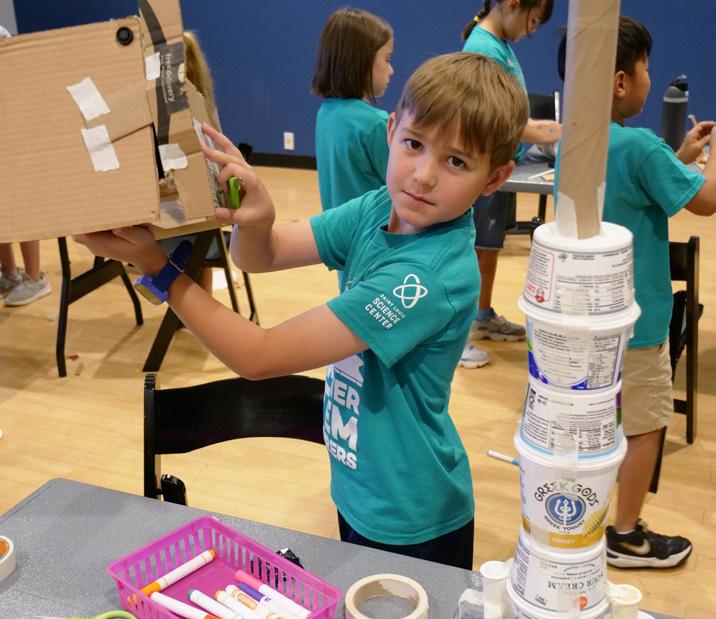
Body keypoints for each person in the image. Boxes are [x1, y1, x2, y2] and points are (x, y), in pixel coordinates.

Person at [75, 52, 528, 569]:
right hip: (360, 485)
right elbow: (260, 256)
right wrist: (255, 218)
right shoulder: (379, 208)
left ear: (494, 178)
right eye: (414, 144)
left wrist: (159, 268)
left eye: (456, 162)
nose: (423, 176)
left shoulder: (429, 276)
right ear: (391, 131)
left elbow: (259, 356)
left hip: (412, 514)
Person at [556, 16, 716, 568]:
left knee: (594, 415)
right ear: (621, 81)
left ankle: (580, 513)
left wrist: (681, 157)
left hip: (582, 317)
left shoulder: (574, 145)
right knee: (645, 424)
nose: (650, 80)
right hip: (638, 322)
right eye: (646, 69)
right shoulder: (642, 145)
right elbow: (705, 202)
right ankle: (625, 534)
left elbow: (638, 184)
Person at [460, 0, 561, 367]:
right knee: (473, 250)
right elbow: (492, 118)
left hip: (499, 164)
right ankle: (456, 334)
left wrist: (536, 130)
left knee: (488, 246)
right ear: (513, 5)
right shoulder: (483, 48)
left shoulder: (499, 45)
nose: (531, 30)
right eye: (532, 21)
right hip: (483, 165)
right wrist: (541, 131)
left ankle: (481, 315)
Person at [158, 30, 224, 295]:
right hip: (210, 230)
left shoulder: (179, 121)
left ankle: (186, 300)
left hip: (192, 234)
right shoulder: (205, 109)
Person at [312, 7, 393, 212]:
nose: (391, 70)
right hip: (371, 230)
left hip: (336, 228)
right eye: (387, 60)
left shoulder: (325, 112)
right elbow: (401, 191)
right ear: (362, 61)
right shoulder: (376, 124)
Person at [0, 24, 52, 307]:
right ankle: (9, 273)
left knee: (20, 207)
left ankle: (35, 278)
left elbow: (18, 75)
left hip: (12, 129)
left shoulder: (2, 36)